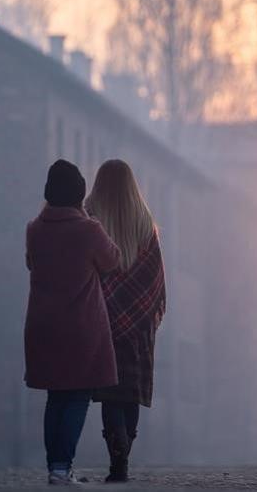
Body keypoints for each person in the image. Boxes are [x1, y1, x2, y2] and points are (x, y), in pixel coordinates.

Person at [25, 160, 122, 485]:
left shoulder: (35, 229)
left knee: (56, 396)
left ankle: (56, 465)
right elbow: (112, 260)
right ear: (80, 195)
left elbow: (31, 263)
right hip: (80, 326)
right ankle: (61, 467)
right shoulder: (88, 229)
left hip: (42, 325)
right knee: (77, 395)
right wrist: (93, 221)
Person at [84, 160, 167, 484]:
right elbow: (154, 279)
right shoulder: (145, 222)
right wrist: (142, 314)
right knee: (130, 394)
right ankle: (123, 458)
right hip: (139, 327)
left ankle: (116, 459)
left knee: (110, 394)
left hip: (101, 321)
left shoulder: (91, 217)